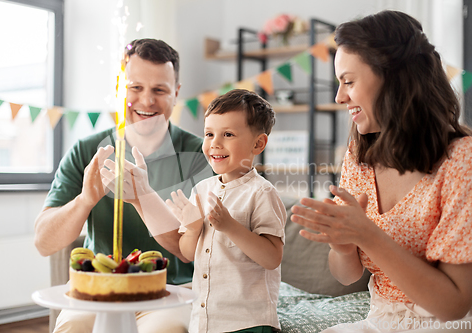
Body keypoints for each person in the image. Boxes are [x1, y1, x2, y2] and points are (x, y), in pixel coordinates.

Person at [290, 10, 472, 332]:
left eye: (348, 81)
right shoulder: (361, 156)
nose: (339, 96)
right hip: (379, 320)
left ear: (394, 79)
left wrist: (367, 235)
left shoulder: (462, 160)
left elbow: (453, 305)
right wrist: (343, 245)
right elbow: (347, 274)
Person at [34, 38, 212, 333]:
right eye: (135, 88)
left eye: (159, 90)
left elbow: (191, 251)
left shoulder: (200, 155)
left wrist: (143, 197)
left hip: (173, 293)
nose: (146, 101)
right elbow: (44, 242)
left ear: (176, 94)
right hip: (98, 292)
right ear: (120, 87)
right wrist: (84, 201)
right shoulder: (86, 150)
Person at [165, 89, 287, 333]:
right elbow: (187, 253)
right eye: (209, 134)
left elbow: (272, 258)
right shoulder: (200, 189)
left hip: (248, 321)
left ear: (258, 143)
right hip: (205, 320)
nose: (215, 144)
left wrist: (230, 226)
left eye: (228, 134)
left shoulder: (261, 193)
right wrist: (191, 228)